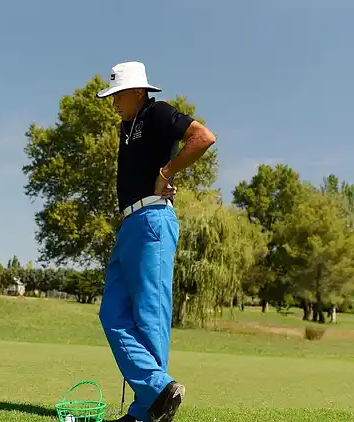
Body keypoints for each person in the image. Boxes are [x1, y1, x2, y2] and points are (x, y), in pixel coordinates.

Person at [96, 61, 216, 422]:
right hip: (130, 223)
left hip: (152, 221)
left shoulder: (160, 112)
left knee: (150, 317)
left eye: (117, 95)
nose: (113, 102)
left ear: (136, 91)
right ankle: (156, 391)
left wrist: (167, 172)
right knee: (113, 313)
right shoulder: (126, 126)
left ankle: (145, 411)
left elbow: (203, 137)